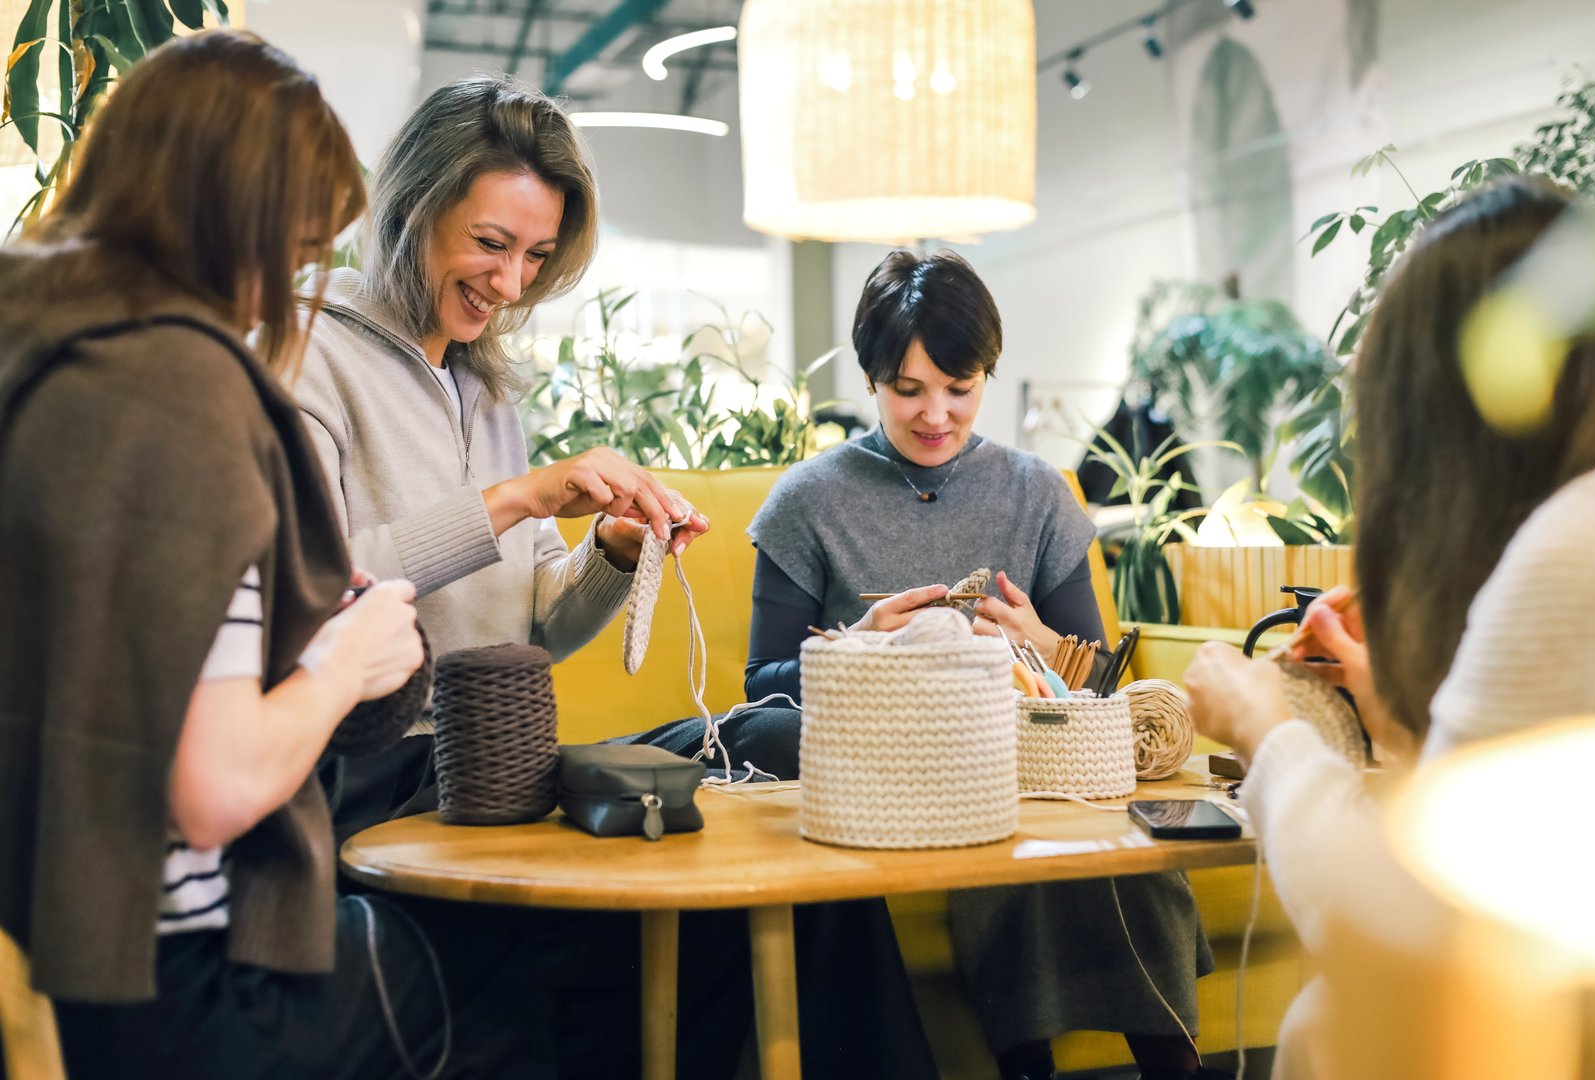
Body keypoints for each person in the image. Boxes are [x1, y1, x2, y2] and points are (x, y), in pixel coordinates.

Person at [293, 74, 932, 1078]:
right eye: (491, 243)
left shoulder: (485, 388)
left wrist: (614, 554)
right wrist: (515, 499)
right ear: (412, 207)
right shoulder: (308, 355)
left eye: (535, 256)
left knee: (781, 743)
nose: (511, 284)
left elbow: (540, 629)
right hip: (385, 773)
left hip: (497, 762)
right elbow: (313, 597)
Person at [0, 29, 584, 1079]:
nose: (287, 295)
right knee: (528, 969)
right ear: (234, 221)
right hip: (167, 980)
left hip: (53, 949)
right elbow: (217, 788)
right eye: (296, 249)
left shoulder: (42, 352)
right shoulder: (178, 393)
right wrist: (347, 659)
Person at [745, 250, 1223, 1080]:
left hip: (1032, 763)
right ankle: (1030, 1064)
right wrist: (860, 644)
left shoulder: (1038, 493)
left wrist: (1039, 643)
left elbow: (1096, 687)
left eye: (960, 388)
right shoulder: (808, 499)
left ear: (987, 376)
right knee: (994, 819)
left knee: (1102, 842)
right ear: (871, 379)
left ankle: (1170, 1066)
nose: (936, 414)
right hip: (896, 775)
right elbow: (757, 695)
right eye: (909, 390)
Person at [1183, 177, 1595, 1078]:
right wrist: (1400, 717)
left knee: (1323, 1020)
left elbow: (1403, 929)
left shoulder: (1580, 547)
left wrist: (1265, 728)